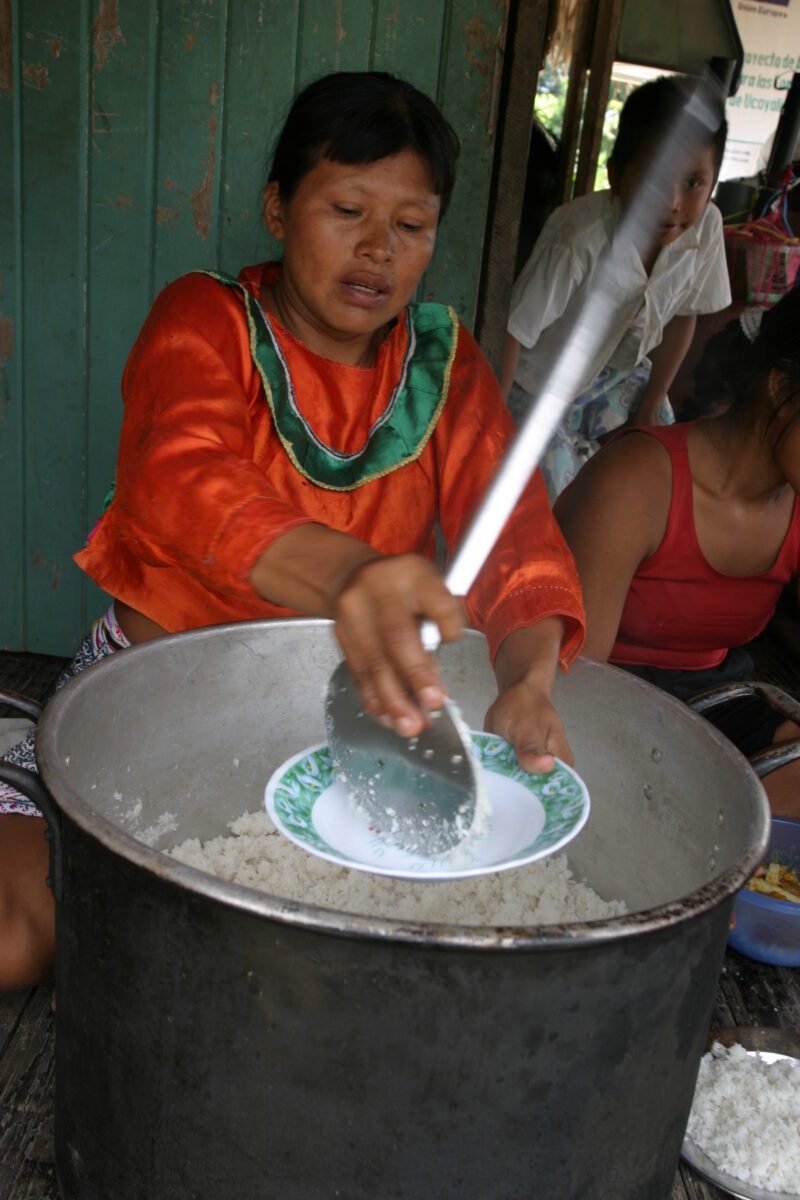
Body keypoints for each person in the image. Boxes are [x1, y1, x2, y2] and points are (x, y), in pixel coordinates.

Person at [0, 71, 586, 989]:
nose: (377, 250)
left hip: (340, 728)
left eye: (412, 225)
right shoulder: (204, 321)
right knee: (20, 942)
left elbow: (514, 529)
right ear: (278, 208)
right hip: (146, 704)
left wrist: (529, 676)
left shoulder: (444, 360)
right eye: (346, 209)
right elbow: (181, 480)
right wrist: (354, 576)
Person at [553, 285, 800, 819]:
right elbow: (577, 681)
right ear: (780, 388)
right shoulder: (637, 481)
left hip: (711, 695)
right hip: (595, 693)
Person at [500, 74, 732, 502]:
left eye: (693, 183)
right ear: (617, 174)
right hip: (539, 384)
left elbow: (684, 317)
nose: (673, 202)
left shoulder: (708, 228)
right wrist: (490, 427)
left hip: (619, 375)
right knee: (557, 487)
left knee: (658, 463)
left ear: (714, 181)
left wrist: (650, 405)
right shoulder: (579, 236)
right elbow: (514, 333)